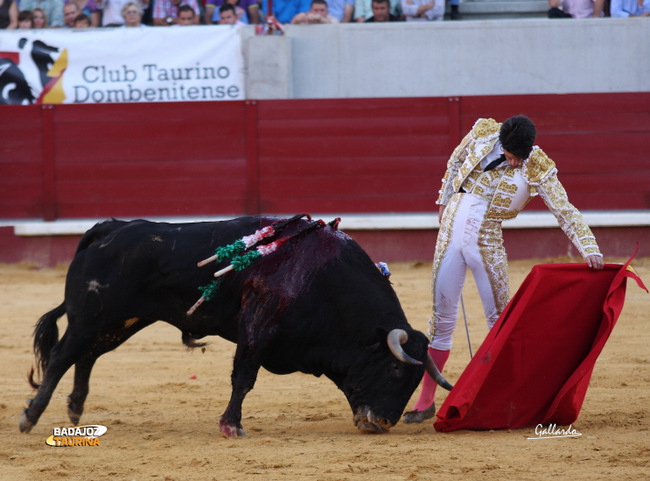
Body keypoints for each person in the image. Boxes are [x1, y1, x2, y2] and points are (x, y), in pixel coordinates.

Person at [403, 116, 604, 423]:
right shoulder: (483, 130)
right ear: (503, 143)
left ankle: (500, 398)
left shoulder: (537, 165)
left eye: (520, 159)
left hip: (487, 237)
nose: (514, 163)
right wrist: (444, 201)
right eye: (511, 156)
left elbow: (564, 209)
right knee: (441, 317)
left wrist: (588, 246)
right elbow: (456, 160)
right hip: (453, 229)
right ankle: (425, 400)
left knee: (500, 321)